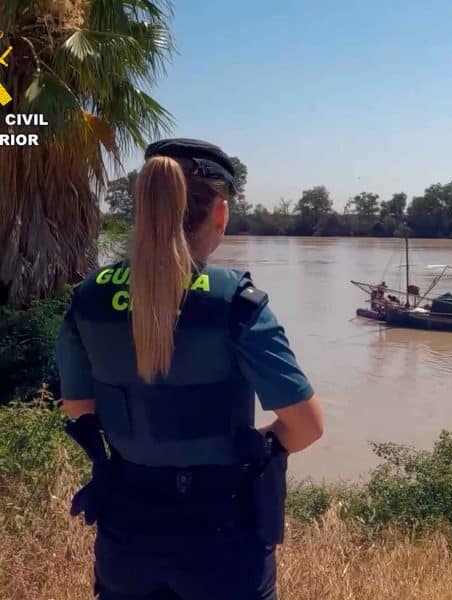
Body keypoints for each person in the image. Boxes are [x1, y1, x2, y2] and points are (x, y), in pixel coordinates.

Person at [55, 138, 324, 600]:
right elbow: (306, 425)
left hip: (127, 533)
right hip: (221, 541)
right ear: (220, 214)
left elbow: (78, 407)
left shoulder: (89, 297)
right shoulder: (236, 303)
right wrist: (251, 447)